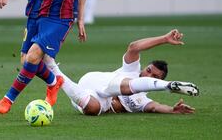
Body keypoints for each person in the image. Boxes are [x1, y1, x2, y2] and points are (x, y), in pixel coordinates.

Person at [45, 29, 199, 115]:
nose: (148, 74)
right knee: (126, 87)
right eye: (149, 70)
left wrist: (172, 110)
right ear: (145, 67)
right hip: (95, 81)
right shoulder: (131, 69)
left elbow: (155, 107)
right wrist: (164, 39)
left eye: (154, 77)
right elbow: (134, 47)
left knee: (94, 109)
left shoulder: (141, 101)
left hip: (86, 98)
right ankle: (168, 86)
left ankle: (53, 68)